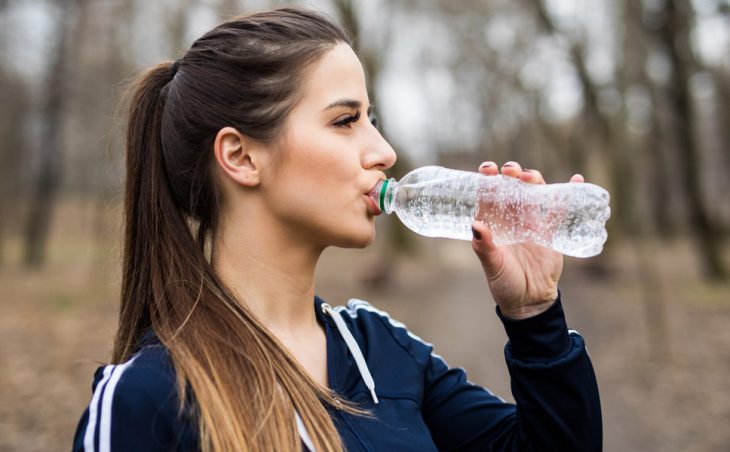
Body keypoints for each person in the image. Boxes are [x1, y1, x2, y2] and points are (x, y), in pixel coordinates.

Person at [72, 8, 601, 452]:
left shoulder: (382, 350)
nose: (384, 151)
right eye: (346, 120)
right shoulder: (146, 398)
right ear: (241, 156)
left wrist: (534, 316)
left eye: (371, 118)